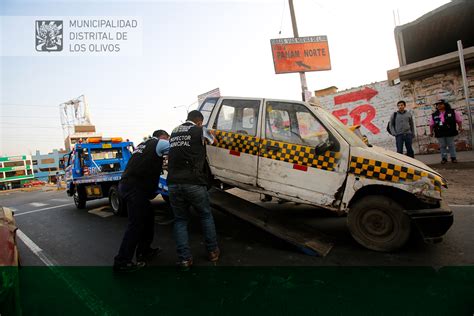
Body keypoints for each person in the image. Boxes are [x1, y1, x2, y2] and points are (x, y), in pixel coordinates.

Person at [167, 110, 219, 269]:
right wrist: (210, 132)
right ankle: (212, 251)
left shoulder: (174, 132)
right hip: (194, 181)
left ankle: (184, 259)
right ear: (199, 121)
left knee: (181, 220)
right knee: (205, 215)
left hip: (174, 183)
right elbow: (214, 142)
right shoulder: (200, 130)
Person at [113, 130, 170, 272]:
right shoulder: (160, 143)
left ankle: (145, 250)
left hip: (128, 185)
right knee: (136, 224)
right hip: (135, 188)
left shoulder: (142, 145)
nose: (167, 140)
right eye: (167, 138)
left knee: (148, 216)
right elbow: (178, 146)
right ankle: (122, 261)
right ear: (163, 136)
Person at [429, 99, 463, 163]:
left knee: (451, 145)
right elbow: (431, 124)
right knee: (442, 146)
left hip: (450, 131)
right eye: (437, 105)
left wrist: (460, 127)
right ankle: (444, 158)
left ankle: (453, 158)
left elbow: (459, 120)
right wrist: (431, 132)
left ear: (445, 104)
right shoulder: (434, 114)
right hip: (439, 132)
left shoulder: (452, 112)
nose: (438, 105)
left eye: (440, 104)